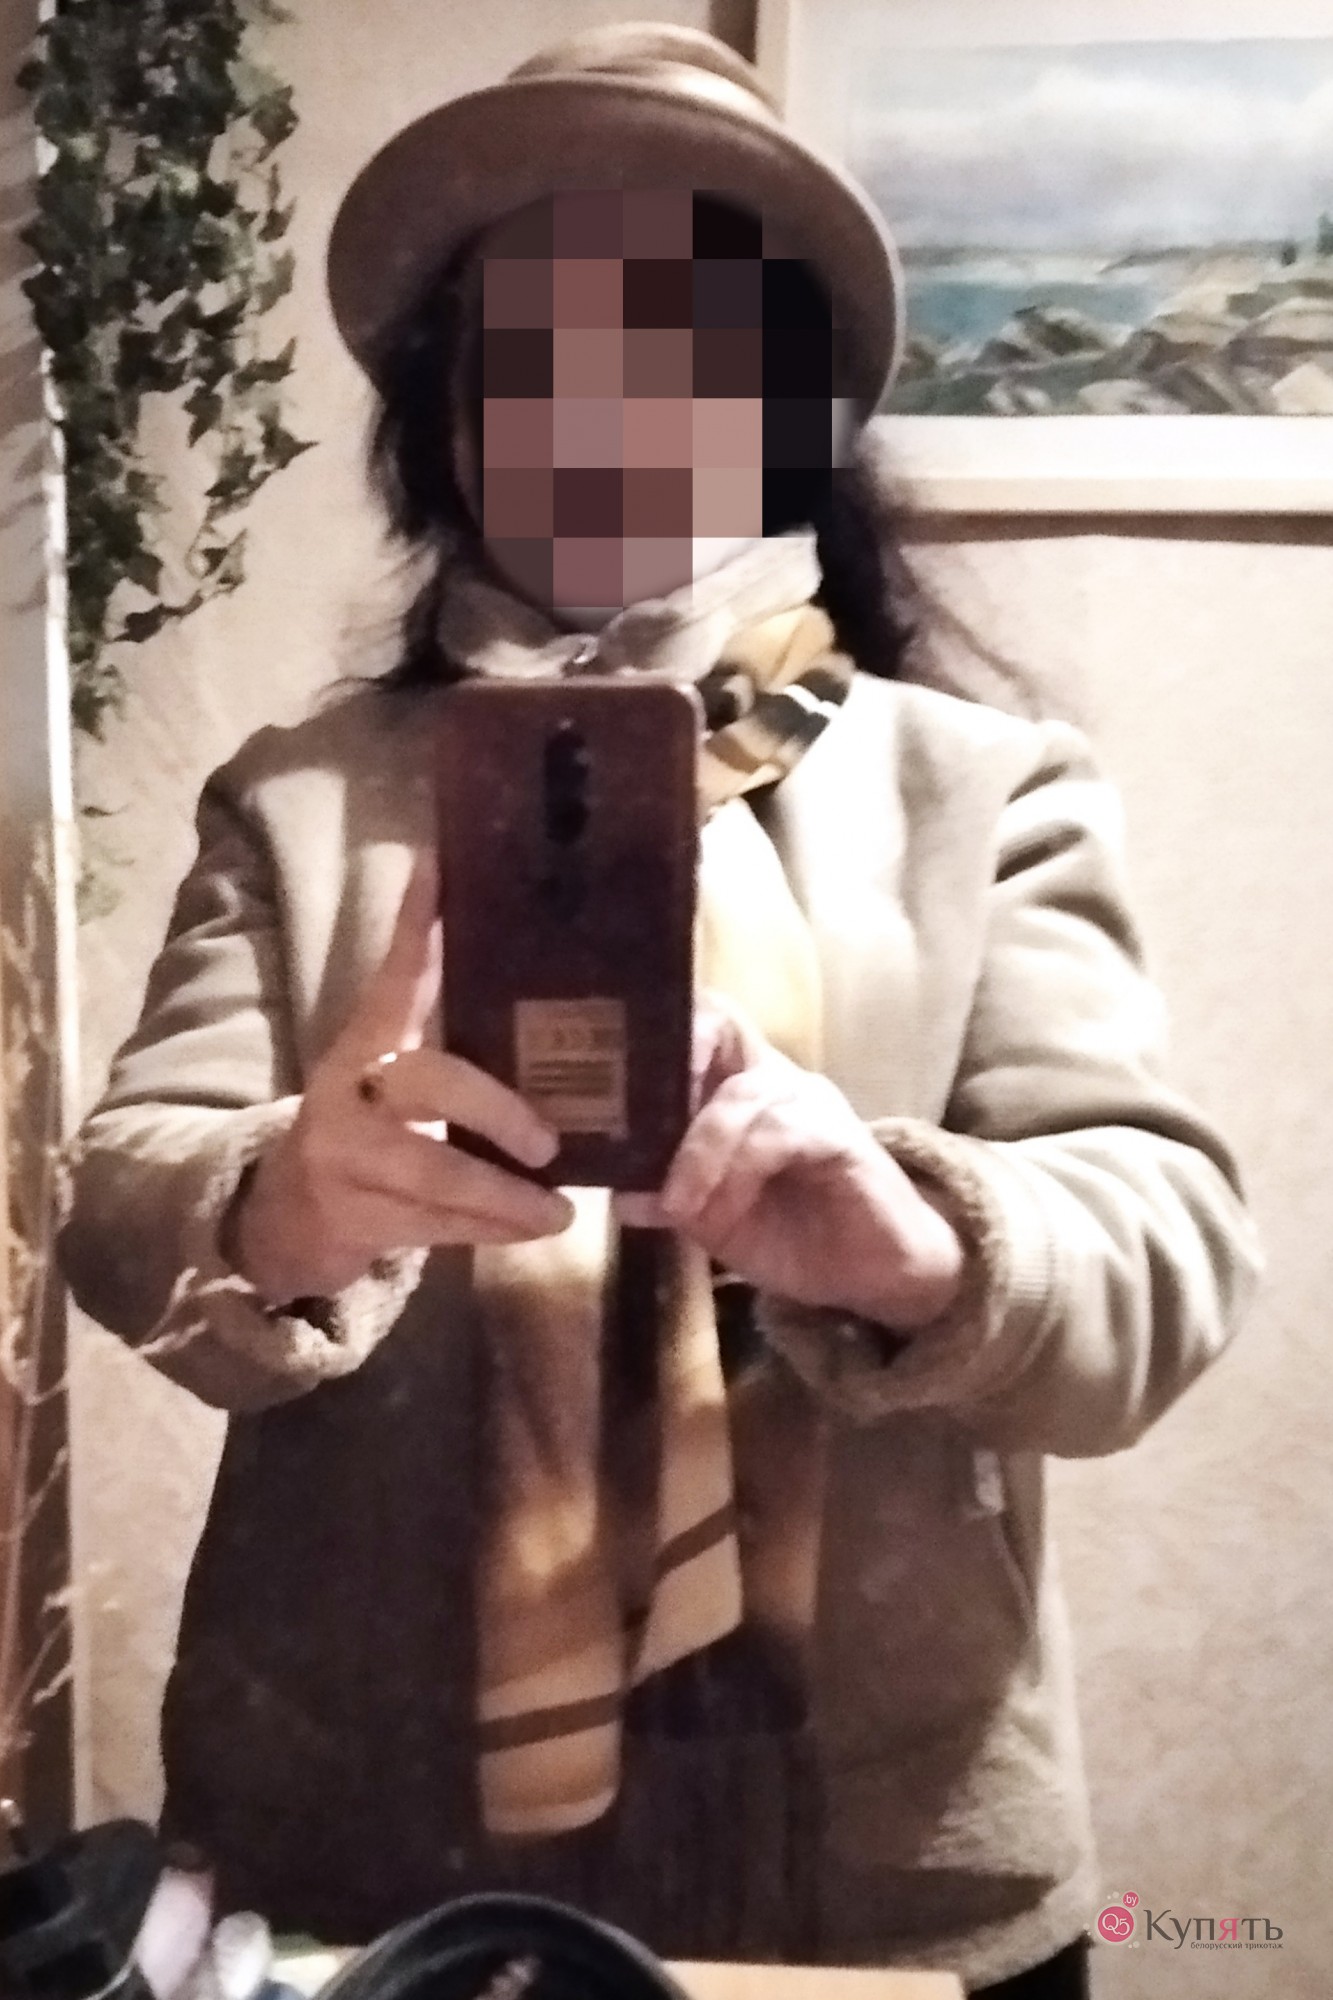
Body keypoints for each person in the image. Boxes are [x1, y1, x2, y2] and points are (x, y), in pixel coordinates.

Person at [59, 25, 1261, 1997]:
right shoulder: (297, 798)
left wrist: (907, 1241)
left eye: (677, 346)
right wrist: (290, 1197)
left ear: (784, 407)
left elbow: (1167, 1254)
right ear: (446, 421)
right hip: (376, 1851)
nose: (598, 409)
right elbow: (119, 1200)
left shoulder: (983, 791)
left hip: (877, 1848)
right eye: (525, 356)